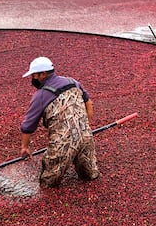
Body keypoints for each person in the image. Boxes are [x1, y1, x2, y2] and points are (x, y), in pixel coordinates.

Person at [20, 56, 99, 188]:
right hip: (86, 137)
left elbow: (28, 126)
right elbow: (88, 102)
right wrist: (85, 126)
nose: (33, 79)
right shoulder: (72, 82)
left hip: (63, 143)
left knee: (49, 182)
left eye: (34, 75)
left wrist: (25, 147)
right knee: (90, 175)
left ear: (43, 74)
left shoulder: (41, 95)